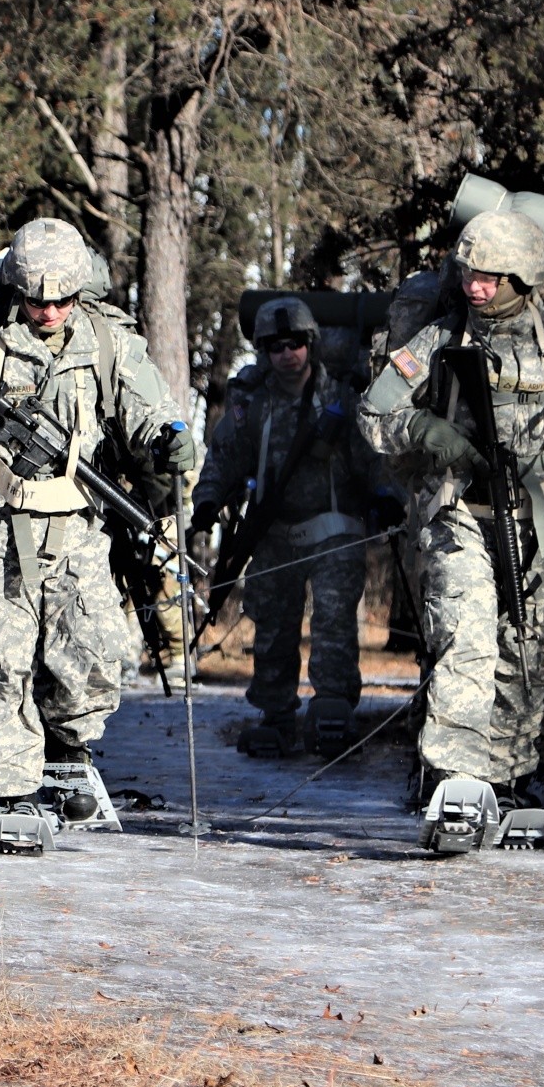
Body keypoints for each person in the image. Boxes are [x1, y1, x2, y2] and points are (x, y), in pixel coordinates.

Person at [357, 210, 544, 828]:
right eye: (471, 274)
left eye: (492, 277)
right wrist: (422, 427)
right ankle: (456, 778)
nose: (477, 286)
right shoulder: (439, 340)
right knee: (467, 642)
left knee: (528, 650)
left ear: (523, 278)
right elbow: (372, 414)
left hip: (539, 527)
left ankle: (509, 778)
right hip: (458, 519)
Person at [0, 218, 190, 826]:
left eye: (62, 299)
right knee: (2, 656)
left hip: (79, 521)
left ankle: (67, 749)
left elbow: (149, 409)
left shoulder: (107, 340)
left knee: (98, 654)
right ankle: (14, 786)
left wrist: (168, 440)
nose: (49, 310)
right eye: (35, 299)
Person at [193, 296, 380, 756]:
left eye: (295, 343)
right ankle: (276, 714)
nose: (286, 354)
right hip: (274, 531)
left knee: (335, 619)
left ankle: (333, 707)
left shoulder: (341, 394)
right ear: (263, 350)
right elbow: (224, 457)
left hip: (334, 527)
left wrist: (385, 497)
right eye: (275, 346)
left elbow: (372, 453)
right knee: (273, 623)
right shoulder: (251, 400)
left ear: (310, 344)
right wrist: (208, 501)